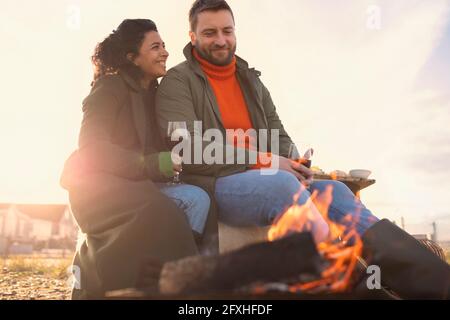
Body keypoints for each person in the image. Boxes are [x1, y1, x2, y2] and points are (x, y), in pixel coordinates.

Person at [155, 0, 450, 299]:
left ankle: (435, 284)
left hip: (265, 174)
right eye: (209, 32)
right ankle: (358, 291)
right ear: (192, 37)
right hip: (214, 182)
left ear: (235, 32)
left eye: (226, 30)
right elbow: (188, 147)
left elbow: (279, 134)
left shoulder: (251, 81)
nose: (220, 40)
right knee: (281, 184)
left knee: (337, 192)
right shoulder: (178, 81)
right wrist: (267, 161)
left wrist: (296, 162)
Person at [60, 19, 210, 299]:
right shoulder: (109, 88)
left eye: (164, 45)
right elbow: (91, 148)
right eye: (155, 47)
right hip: (99, 186)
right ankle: (98, 280)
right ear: (132, 57)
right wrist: (155, 163)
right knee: (163, 214)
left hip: (139, 182)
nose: (165, 52)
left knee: (198, 199)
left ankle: (166, 281)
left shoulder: (156, 93)